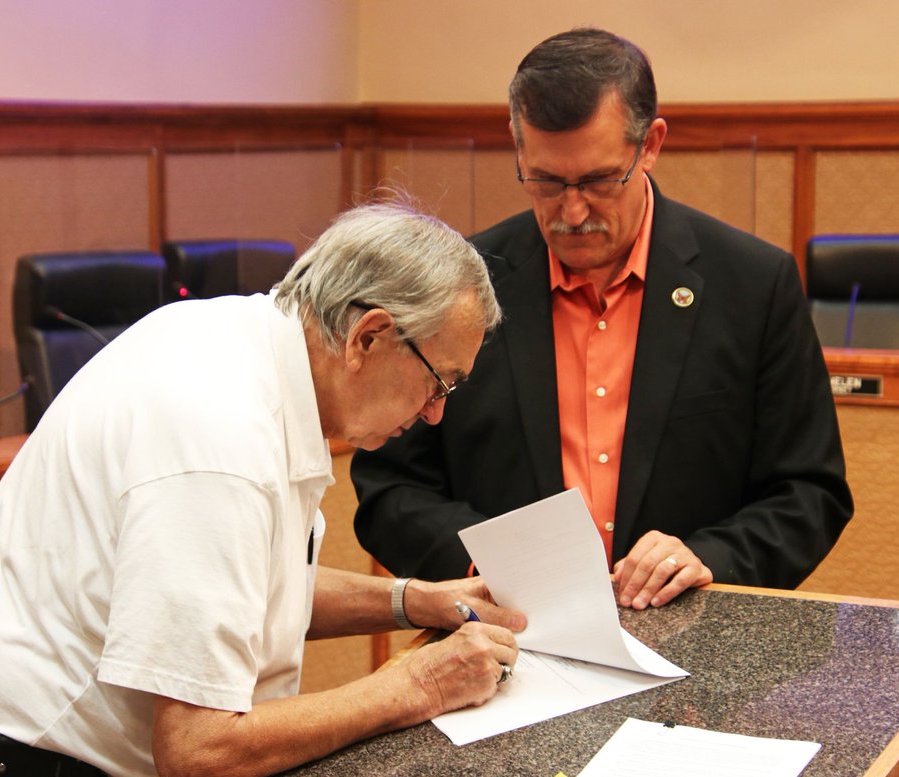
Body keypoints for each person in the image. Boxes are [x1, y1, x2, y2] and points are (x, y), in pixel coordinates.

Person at [0, 201, 527, 777]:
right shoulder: (219, 433)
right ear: (368, 338)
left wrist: (417, 600)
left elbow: (249, 588)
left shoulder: (247, 340)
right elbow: (197, 751)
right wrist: (416, 684)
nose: (438, 414)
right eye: (438, 382)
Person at [352, 28, 853, 612]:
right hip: (502, 635)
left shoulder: (753, 283)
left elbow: (809, 493)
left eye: (597, 180)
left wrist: (710, 559)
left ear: (651, 145)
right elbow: (390, 489)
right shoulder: (456, 287)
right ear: (517, 151)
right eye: (544, 181)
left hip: (694, 637)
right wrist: (487, 565)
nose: (571, 211)